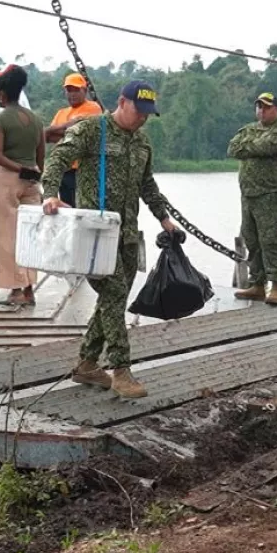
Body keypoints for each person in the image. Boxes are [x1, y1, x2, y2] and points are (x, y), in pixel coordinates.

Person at [40, 80, 179, 400]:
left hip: (128, 234)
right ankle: (121, 369)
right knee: (114, 291)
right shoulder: (92, 130)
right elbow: (58, 160)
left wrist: (163, 217)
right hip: (93, 234)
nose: (142, 118)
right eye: (139, 111)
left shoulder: (142, 141)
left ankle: (87, 363)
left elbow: (148, 184)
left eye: (148, 114)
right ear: (121, 102)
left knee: (112, 299)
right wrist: (50, 195)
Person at [0, 67, 45, 307]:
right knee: (29, 235)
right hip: (32, 179)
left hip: (8, 180)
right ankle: (29, 289)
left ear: (2, 94)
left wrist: (17, 168)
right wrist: (35, 172)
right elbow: (41, 152)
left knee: (5, 234)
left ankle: (14, 290)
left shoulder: (1, 118)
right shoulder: (35, 119)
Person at [230, 92, 277, 306]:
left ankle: (276, 286)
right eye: (259, 107)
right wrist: (251, 145)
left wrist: (250, 146)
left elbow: (265, 147)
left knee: (271, 241)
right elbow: (233, 148)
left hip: (270, 196)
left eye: (266, 107)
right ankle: (257, 284)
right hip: (248, 196)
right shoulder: (248, 129)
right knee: (251, 239)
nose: (261, 111)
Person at [45, 72, 103, 208]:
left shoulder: (93, 108)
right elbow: (49, 136)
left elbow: (79, 130)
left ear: (85, 90)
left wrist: (58, 130)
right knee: (67, 209)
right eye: (69, 90)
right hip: (64, 171)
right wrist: (65, 128)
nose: (72, 94)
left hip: (82, 171)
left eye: (76, 90)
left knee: (82, 208)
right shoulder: (61, 112)